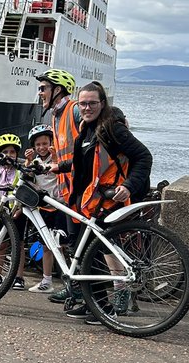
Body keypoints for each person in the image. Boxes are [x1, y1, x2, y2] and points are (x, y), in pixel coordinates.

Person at [54, 81, 153, 323]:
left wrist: (128, 186)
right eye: (83, 103)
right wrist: (58, 166)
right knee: (87, 254)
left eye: (92, 103)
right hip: (84, 202)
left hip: (105, 201)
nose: (87, 108)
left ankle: (105, 306)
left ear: (102, 103)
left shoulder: (112, 130)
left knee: (95, 253)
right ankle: (94, 304)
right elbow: (82, 164)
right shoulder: (85, 129)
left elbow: (143, 156)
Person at [34, 68, 80, 303]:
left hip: (82, 188)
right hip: (67, 191)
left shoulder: (74, 111)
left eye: (43, 88)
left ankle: (117, 293)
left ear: (57, 90)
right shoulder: (55, 116)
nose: (40, 92)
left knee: (83, 243)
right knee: (73, 243)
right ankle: (76, 290)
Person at [0, 133, 27, 290]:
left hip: (18, 213)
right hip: (1, 214)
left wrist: (19, 209)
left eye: (12, 152)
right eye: (5, 152)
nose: (9, 155)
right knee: (0, 244)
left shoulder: (20, 173)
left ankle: (19, 277)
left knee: (19, 245)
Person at [23, 124, 61, 293]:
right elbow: (26, 178)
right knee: (46, 245)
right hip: (44, 208)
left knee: (62, 245)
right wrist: (29, 161)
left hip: (59, 205)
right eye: (38, 145)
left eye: (45, 143)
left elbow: (61, 172)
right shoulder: (36, 161)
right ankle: (47, 280)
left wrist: (54, 157)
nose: (42, 147)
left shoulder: (58, 159)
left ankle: (68, 279)